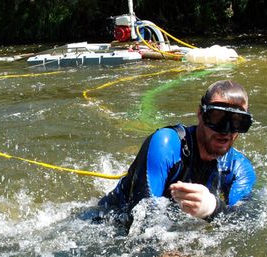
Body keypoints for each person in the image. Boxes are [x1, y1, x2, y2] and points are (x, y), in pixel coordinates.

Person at [99, 79, 256, 226]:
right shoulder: (166, 143)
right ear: (200, 114)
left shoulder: (239, 168)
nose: (225, 131)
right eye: (216, 118)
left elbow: (246, 220)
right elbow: (139, 217)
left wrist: (213, 209)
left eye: (237, 122)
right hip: (109, 220)